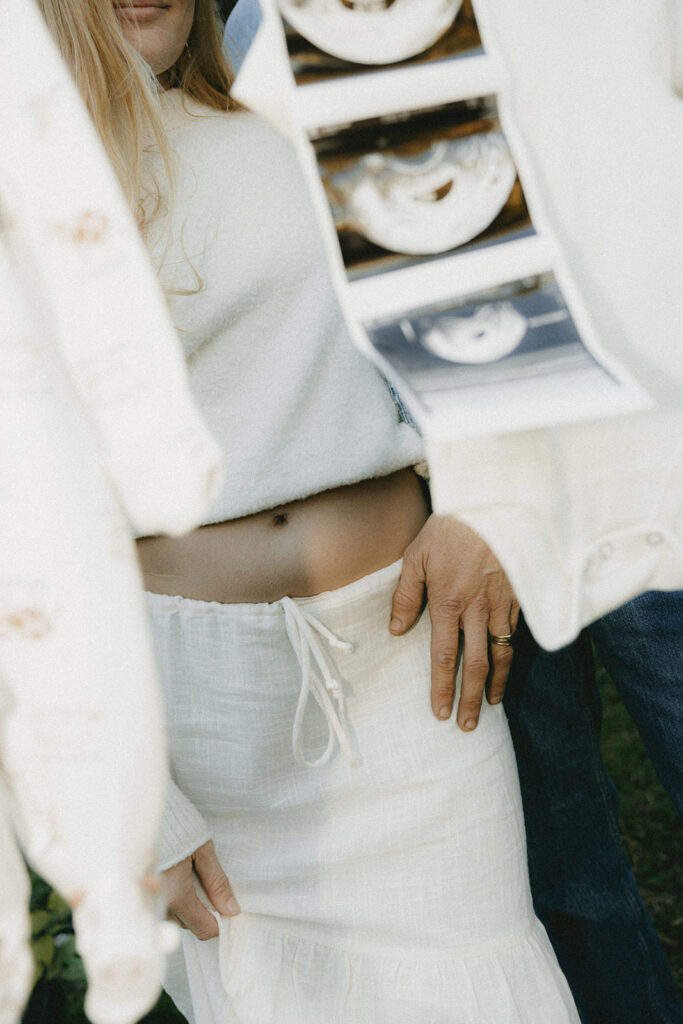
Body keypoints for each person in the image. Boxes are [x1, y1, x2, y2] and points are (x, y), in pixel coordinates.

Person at [39, 1, 579, 1021]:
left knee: (484, 983)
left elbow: (493, 310)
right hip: (187, 710)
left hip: (406, 670)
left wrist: (486, 500)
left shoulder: (322, 94)